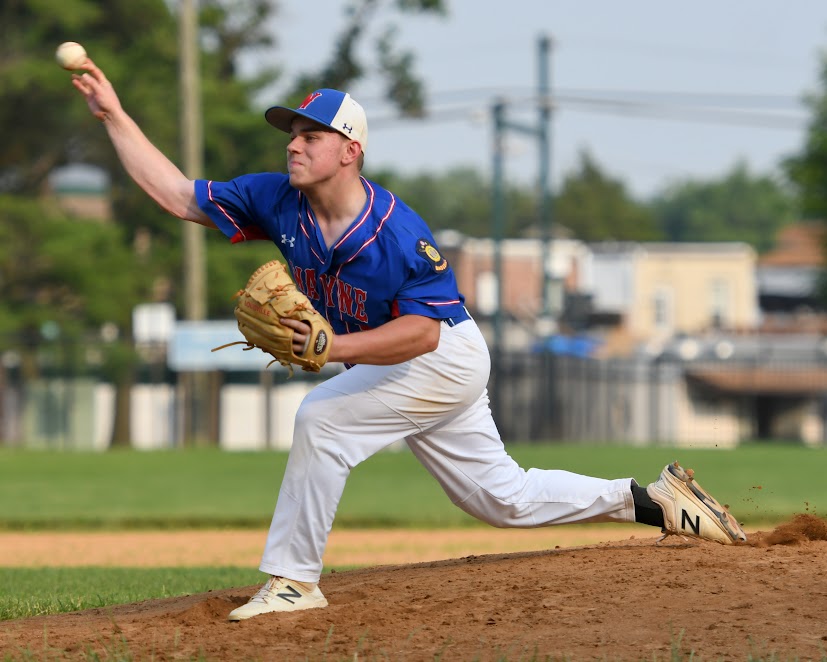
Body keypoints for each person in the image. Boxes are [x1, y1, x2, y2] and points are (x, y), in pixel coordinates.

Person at [70, 60, 747, 622]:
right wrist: (114, 115)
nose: (294, 145)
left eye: (311, 135)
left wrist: (332, 350)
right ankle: (650, 500)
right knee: (499, 498)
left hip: (441, 354)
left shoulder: (396, 232)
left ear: (350, 150)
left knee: (322, 420)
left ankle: (294, 581)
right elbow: (178, 196)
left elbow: (422, 333)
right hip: (399, 361)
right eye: (291, 135)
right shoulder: (277, 200)